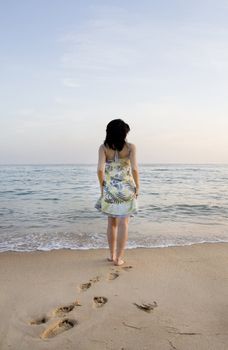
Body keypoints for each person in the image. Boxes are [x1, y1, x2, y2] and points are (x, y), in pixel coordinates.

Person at [95, 119, 140, 266]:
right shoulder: (130, 147)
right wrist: (137, 186)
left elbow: (100, 170)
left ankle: (111, 255)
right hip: (126, 189)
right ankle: (119, 258)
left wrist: (103, 188)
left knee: (111, 223)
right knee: (124, 223)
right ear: (124, 133)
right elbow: (134, 169)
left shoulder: (103, 148)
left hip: (110, 190)